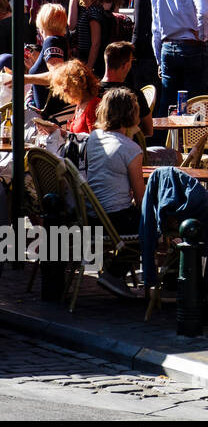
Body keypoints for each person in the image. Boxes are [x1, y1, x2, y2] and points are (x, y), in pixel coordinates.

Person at [83, 87, 145, 298]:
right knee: (155, 222)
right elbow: (141, 198)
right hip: (115, 220)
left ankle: (114, 268)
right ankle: (114, 273)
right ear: (131, 114)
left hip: (91, 216)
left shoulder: (94, 138)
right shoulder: (131, 149)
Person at [151, 0, 208, 117]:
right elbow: (203, 12)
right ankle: (191, 141)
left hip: (168, 46)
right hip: (191, 45)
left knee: (168, 100)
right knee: (195, 102)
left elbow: (155, 25)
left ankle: (164, 141)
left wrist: (158, 58)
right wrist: (203, 36)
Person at [101, 41, 153, 140]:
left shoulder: (90, 91)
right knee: (174, 154)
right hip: (129, 150)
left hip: (95, 148)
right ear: (125, 65)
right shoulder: (134, 95)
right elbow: (148, 131)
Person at [34, 60, 100, 137]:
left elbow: (94, 141)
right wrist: (55, 131)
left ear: (79, 83)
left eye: (67, 85)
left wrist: (60, 132)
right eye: (62, 85)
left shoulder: (93, 105)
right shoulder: (80, 104)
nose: (64, 89)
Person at [121, 0, 158, 92]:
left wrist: (132, 52)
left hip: (144, 54)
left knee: (142, 91)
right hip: (157, 50)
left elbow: (139, 29)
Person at [26, 3, 67, 115]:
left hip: (51, 114)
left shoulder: (51, 41)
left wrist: (25, 78)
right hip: (54, 111)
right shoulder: (59, 40)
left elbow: (56, 75)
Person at [72, 0, 113, 79]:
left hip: (91, 63)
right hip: (84, 59)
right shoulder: (88, 10)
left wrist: (89, 68)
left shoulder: (93, 12)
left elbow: (96, 43)